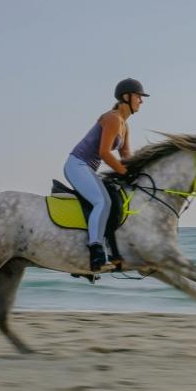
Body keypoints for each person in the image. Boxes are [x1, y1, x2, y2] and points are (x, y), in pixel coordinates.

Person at [64, 79, 148, 272]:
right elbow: (104, 153)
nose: (141, 101)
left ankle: (113, 248)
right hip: (77, 164)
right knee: (103, 202)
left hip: (86, 168)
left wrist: (137, 173)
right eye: (138, 96)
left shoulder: (125, 126)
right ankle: (95, 251)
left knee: (115, 198)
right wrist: (124, 172)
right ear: (126, 97)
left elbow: (125, 155)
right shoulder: (112, 118)